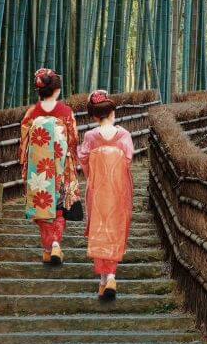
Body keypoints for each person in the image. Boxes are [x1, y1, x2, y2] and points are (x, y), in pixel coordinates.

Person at [19, 68, 82, 266]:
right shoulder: (66, 112)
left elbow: (24, 143)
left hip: (39, 170)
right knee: (59, 207)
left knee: (42, 207)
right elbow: (73, 140)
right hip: (60, 167)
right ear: (56, 91)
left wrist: (26, 165)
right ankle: (55, 244)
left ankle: (48, 248)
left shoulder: (32, 114)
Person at [78, 90, 134, 300]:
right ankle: (110, 276)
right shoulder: (124, 135)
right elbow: (127, 161)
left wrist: (96, 168)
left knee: (99, 228)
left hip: (99, 190)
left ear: (94, 116)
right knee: (116, 228)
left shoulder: (91, 136)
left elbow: (83, 159)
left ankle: (104, 279)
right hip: (119, 190)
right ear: (112, 112)